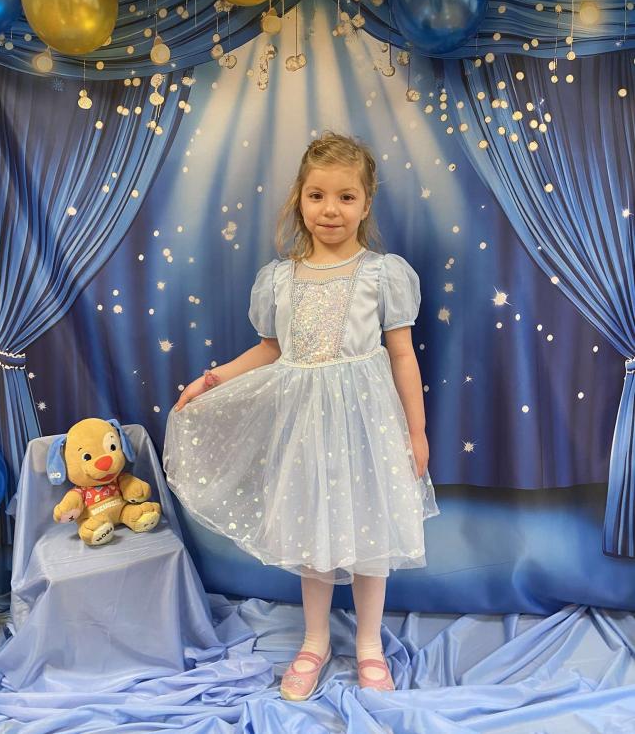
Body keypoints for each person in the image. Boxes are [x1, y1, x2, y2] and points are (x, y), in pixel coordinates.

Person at [163, 131, 439, 701]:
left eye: (345, 197)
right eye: (317, 196)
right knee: (314, 533)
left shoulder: (382, 274)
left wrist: (417, 431)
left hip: (367, 428)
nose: (330, 209)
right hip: (306, 430)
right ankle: (314, 641)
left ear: (365, 203)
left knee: (369, 535)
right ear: (300, 199)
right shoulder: (281, 278)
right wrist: (212, 379)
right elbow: (270, 349)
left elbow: (403, 355)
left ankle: (368, 645)